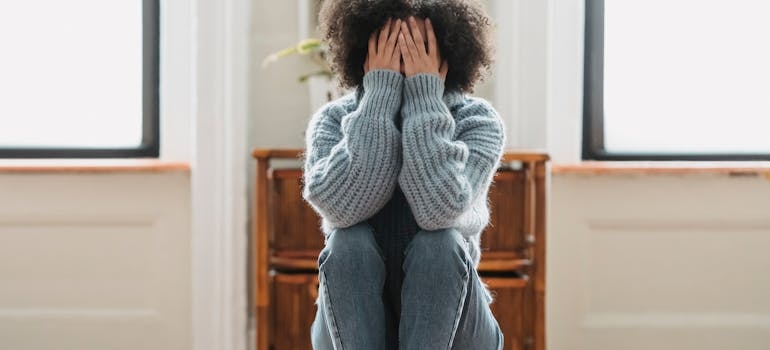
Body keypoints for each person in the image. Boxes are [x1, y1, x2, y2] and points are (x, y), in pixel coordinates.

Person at [301, 0, 506, 349]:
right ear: (364, 50)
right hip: (352, 325)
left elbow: (438, 212)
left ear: (446, 51)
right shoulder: (332, 120)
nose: (402, 56)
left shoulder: (478, 121)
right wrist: (380, 95)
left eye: (417, 46)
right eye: (389, 45)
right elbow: (342, 210)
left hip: (456, 325)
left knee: (439, 243)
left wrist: (424, 97)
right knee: (347, 241)